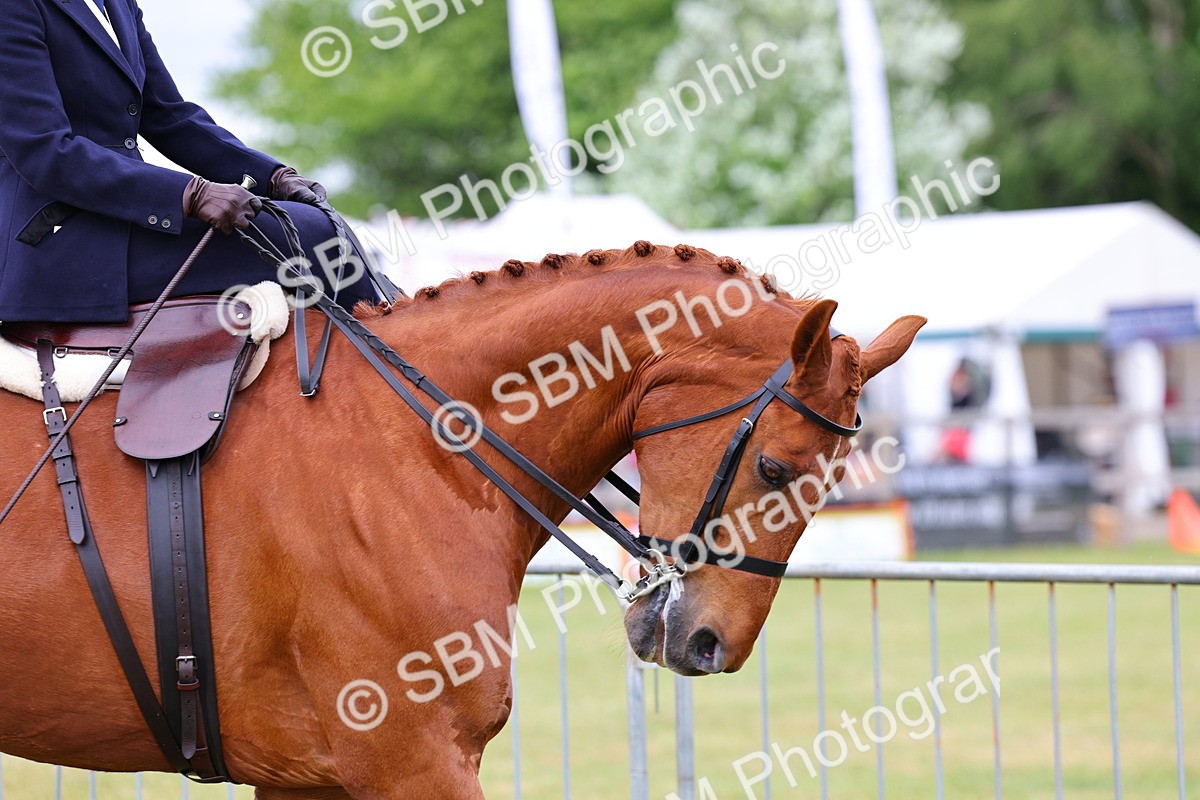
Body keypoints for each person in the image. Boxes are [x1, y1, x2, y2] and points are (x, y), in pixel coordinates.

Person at [0, 0, 385, 323]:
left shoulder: (118, 4)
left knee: (325, 223)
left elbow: (169, 114)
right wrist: (190, 194)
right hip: (61, 240)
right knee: (311, 236)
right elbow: (44, 151)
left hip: (123, 218)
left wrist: (274, 175)